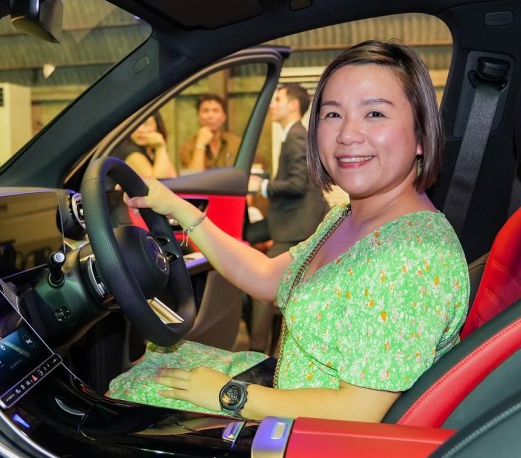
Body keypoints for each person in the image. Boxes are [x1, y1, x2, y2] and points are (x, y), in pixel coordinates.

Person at [109, 40, 470, 423]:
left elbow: (358, 412)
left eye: (375, 113)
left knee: (124, 402)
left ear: (421, 135)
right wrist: (179, 209)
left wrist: (226, 393)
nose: (348, 134)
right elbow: (267, 276)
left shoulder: (413, 257)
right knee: (153, 365)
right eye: (333, 114)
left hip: (303, 439)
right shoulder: (347, 217)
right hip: (284, 394)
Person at [247, 82, 330, 353]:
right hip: (287, 220)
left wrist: (261, 186)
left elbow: (296, 184)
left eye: (278, 99)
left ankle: (256, 354)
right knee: (245, 238)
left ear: (294, 105)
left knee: (261, 286)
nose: (272, 105)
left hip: (297, 224)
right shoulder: (293, 135)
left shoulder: (295, 136)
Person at [178, 94, 241, 173]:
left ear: (224, 117)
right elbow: (192, 177)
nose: (210, 116)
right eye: (205, 111)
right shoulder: (188, 146)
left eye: (215, 111)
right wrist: (200, 144)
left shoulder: (237, 143)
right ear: (198, 116)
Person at [114, 113, 178, 180]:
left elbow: (173, 178)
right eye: (135, 125)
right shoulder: (131, 153)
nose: (140, 130)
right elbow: (158, 182)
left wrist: (161, 147)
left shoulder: (151, 150)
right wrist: (160, 148)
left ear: (158, 128)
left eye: (146, 124)